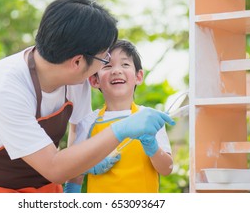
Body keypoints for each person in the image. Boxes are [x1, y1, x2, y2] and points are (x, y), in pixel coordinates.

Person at [0, 0, 175, 193]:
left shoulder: (77, 80)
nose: (107, 65)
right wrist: (122, 128)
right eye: (104, 59)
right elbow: (55, 167)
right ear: (77, 61)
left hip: (43, 187)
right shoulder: (4, 90)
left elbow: (77, 144)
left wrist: (75, 185)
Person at [64, 40, 174, 193]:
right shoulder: (88, 123)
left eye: (125, 65)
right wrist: (88, 167)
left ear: (139, 76)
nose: (116, 70)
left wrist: (153, 147)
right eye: (107, 66)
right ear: (94, 80)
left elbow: (166, 169)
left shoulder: (149, 119)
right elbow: (73, 170)